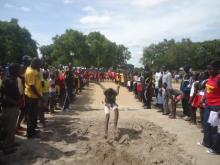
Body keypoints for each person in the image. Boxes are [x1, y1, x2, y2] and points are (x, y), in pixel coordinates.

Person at [200, 59, 220, 154]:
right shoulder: (210, 78)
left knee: (214, 128)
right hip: (208, 105)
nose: (208, 71)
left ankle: (215, 148)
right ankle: (207, 142)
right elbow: (207, 89)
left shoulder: (219, 78)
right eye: (208, 69)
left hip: (216, 107)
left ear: (217, 69)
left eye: (210, 69)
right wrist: (204, 98)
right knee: (206, 125)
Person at [0, 63, 21, 154]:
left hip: (9, 107)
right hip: (10, 108)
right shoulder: (9, 81)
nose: (19, 71)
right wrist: (16, 103)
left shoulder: (9, 79)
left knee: (10, 128)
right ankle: (8, 147)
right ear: (13, 71)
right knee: (9, 128)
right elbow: (5, 97)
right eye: (18, 70)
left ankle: (10, 143)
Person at [25, 58, 43, 138]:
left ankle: (33, 130)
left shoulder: (31, 68)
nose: (39, 67)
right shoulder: (31, 72)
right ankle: (30, 133)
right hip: (32, 96)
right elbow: (32, 86)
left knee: (34, 114)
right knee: (32, 115)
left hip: (34, 96)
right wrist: (40, 97)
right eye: (39, 65)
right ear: (36, 64)